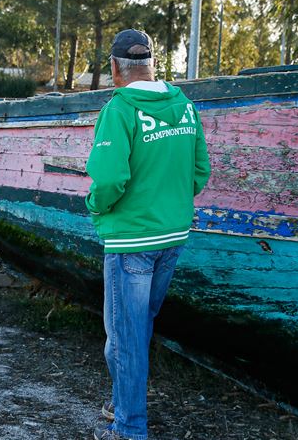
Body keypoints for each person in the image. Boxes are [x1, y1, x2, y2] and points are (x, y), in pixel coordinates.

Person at [85, 29, 211, 440]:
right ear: (152, 63)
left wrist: (96, 207)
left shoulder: (119, 110)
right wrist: (169, 203)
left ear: (116, 67)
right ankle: (122, 405)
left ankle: (129, 429)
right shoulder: (185, 107)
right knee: (133, 331)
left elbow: (109, 178)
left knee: (125, 337)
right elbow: (199, 173)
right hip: (172, 236)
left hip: (131, 242)